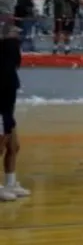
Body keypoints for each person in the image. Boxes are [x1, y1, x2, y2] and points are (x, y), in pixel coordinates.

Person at [0, 23, 29, 201]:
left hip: (7, 111)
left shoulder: (10, 69)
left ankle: (11, 182)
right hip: (1, 111)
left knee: (13, 146)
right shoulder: (3, 67)